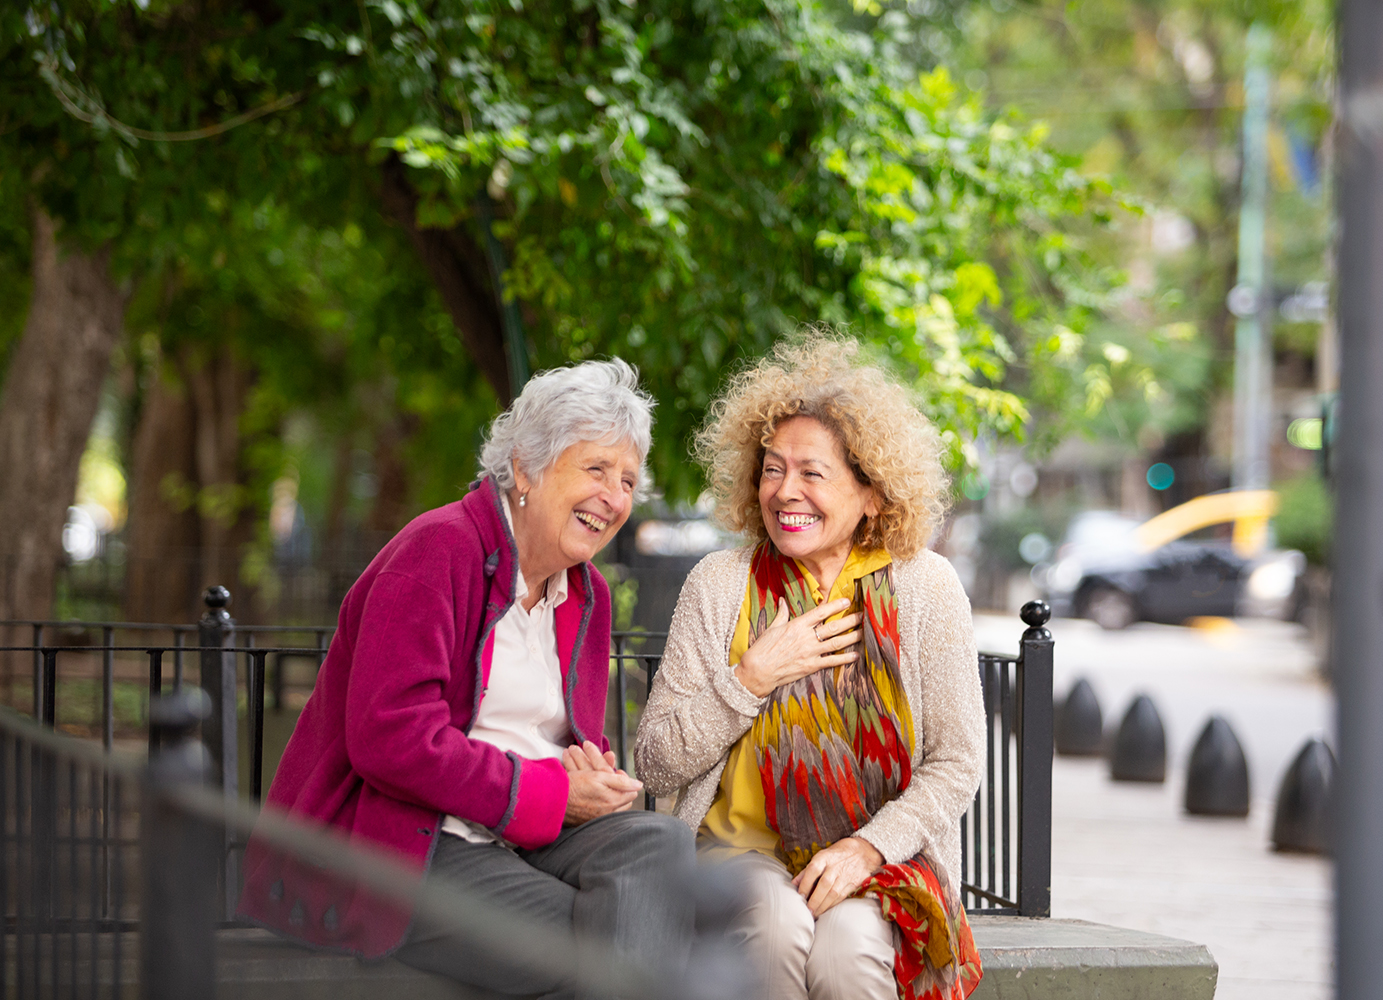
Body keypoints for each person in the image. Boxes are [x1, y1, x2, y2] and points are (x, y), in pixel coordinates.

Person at [240, 359, 695, 998]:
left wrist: (586, 777)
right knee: (609, 940)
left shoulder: (585, 594)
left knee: (661, 846)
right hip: (403, 843)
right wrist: (549, 792)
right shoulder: (437, 552)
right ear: (526, 469)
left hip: (523, 833)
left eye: (627, 480)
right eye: (595, 469)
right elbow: (389, 738)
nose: (615, 498)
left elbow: (548, 739)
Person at [635, 338, 985, 1000]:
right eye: (772, 469)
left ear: (872, 494)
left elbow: (958, 762)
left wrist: (868, 848)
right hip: (739, 860)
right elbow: (655, 761)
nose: (785, 491)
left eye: (812, 473)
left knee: (848, 959)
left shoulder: (926, 588)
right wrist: (750, 679)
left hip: (878, 860)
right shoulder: (721, 584)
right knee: (774, 928)